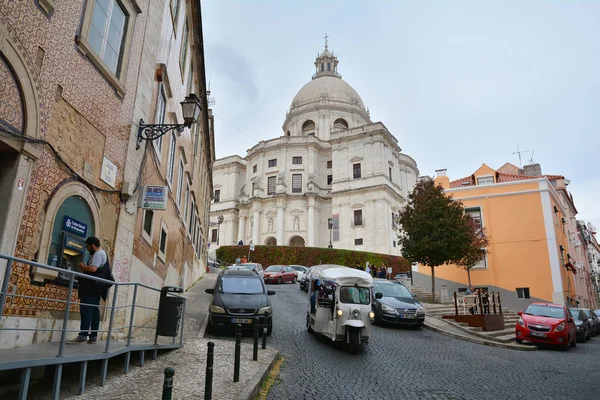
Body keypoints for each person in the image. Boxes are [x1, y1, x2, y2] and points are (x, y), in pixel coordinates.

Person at [69, 236, 107, 344]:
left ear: (93, 245)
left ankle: (83, 335)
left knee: (86, 310)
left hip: (91, 288)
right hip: (96, 287)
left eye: (88, 246)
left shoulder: (98, 254)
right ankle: (93, 336)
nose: (87, 248)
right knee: (94, 311)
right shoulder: (101, 253)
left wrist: (83, 267)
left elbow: (93, 268)